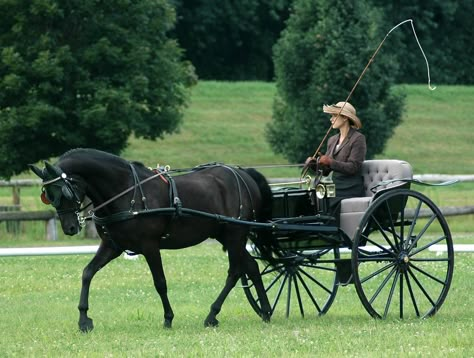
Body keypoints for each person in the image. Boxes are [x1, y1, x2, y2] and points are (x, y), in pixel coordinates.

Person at [305, 101, 367, 224]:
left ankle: (333, 231)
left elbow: (353, 167)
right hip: (336, 185)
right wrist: (314, 165)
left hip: (351, 187)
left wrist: (330, 161)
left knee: (327, 197)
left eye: (334, 116)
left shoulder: (358, 139)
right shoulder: (332, 140)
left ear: (344, 118)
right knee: (311, 195)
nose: (331, 119)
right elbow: (326, 171)